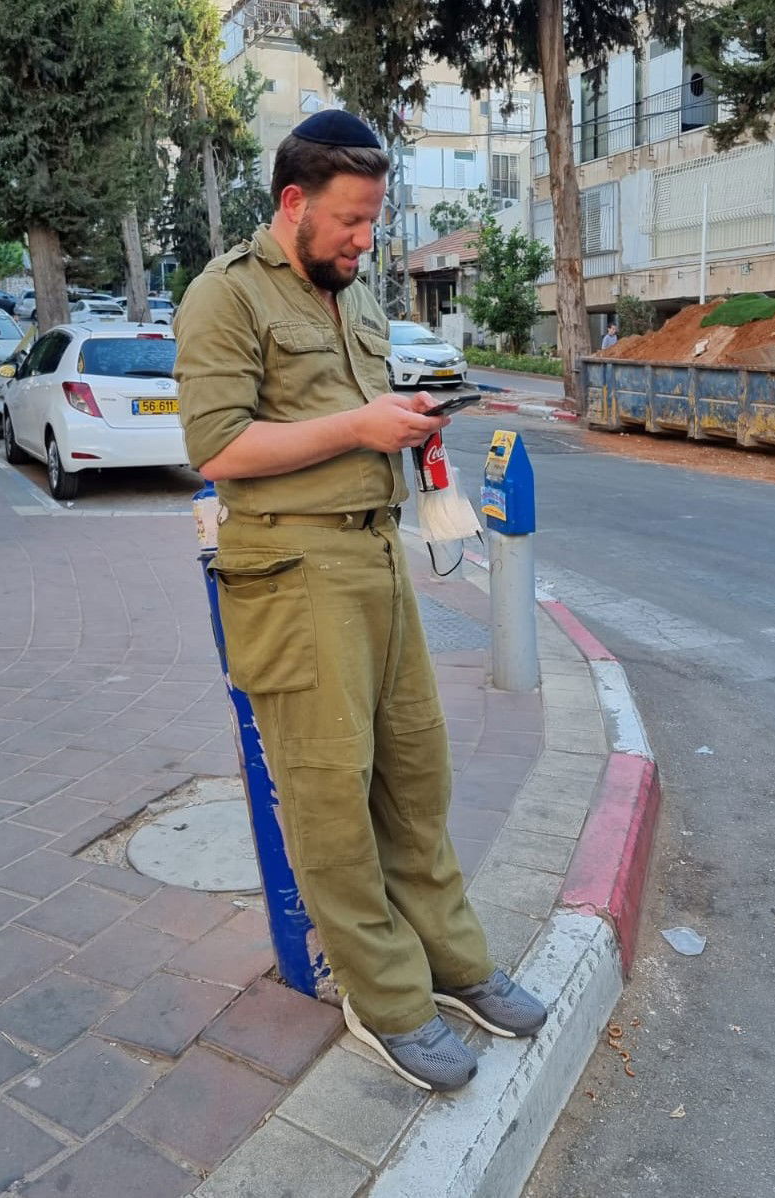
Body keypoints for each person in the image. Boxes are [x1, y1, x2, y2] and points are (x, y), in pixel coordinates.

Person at [175, 110, 546, 1094]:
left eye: (374, 221)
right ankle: (385, 1000)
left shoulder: (357, 297)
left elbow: (366, 422)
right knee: (333, 799)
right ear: (293, 203)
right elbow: (216, 449)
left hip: (378, 558)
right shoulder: (227, 297)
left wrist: (408, 430)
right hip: (293, 576)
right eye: (349, 220)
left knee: (415, 783)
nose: (363, 240)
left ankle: (454, 963)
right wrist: (360, 423)